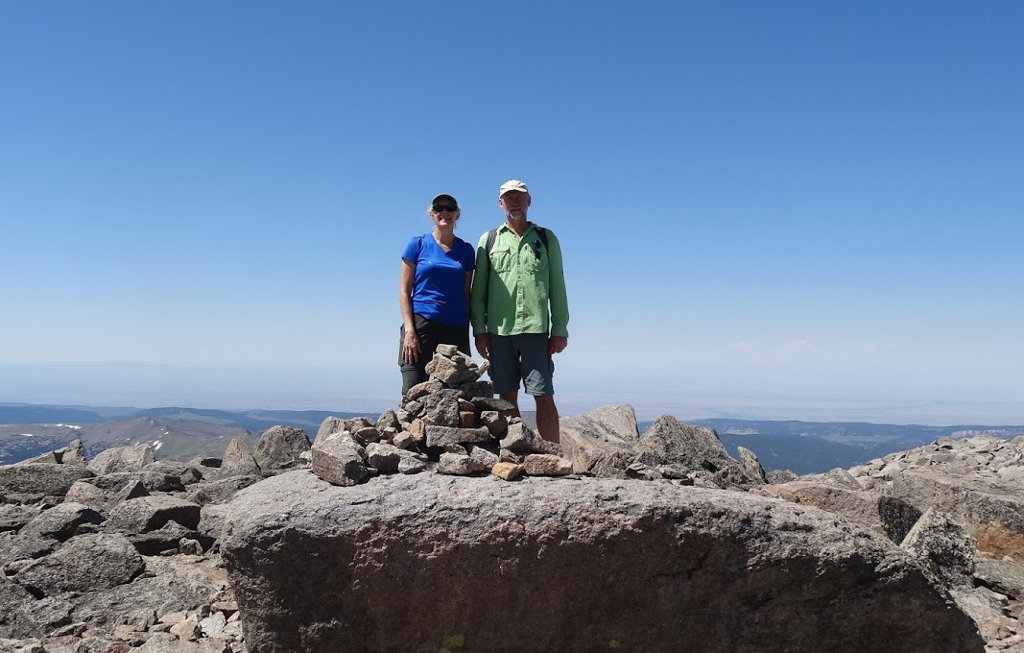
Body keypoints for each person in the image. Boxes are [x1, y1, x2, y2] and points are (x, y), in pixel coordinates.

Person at [470, 179, 569, 443]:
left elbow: (557, 286)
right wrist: (479, 330)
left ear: (529, 201)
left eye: (519, 197)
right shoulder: (489, 240)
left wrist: (560, 329)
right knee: (506, 398)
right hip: (499, 332)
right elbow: (478, 290)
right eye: (509, 197)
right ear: (500, 203)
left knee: (544, 396)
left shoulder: (546, 239)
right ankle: (515, 452)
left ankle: (553, 454)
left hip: (536, 330)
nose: (514, 201)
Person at [398, 193, 476, 396]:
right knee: (414, 390)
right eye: (439, 208)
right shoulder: (417, 244)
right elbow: (404, 291)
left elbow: (466, 293)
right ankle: (411, 428)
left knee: (457, 392)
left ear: (457, 214)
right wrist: (409, 331)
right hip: (421, 322)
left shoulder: (466, 251)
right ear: (431, 214)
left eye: (450, 208)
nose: (444, 212)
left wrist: (471, 333)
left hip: (455, 326)